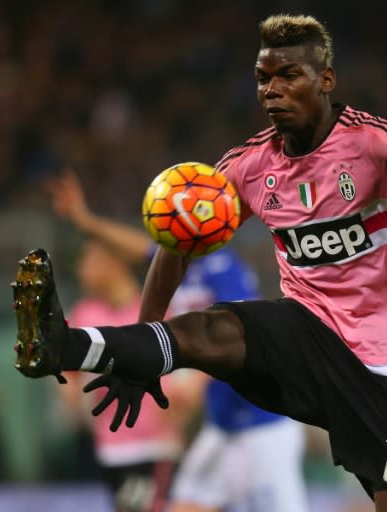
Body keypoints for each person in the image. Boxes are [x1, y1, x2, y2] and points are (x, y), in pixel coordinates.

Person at [12, 14, 387, 512]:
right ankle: (63, 345)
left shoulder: (375, 143)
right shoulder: (249, 165)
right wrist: (138, 350)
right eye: (263, 78)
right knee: (216, 328)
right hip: (306, 331)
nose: (271, 90)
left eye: (288, 76)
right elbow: (175, 247)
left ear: (326, 80)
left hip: (383, 363)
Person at [46, 171, 309, 512]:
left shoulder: (220, 267)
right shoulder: (177, 264)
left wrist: (198, 379)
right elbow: (133, 246)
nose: (164, 222)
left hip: (262, 425)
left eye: (172, 214)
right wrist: (86, 222)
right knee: (184, 505)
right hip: (223, 426)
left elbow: (244, 335)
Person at [56, 238, 199, 512]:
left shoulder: (158, 311)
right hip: (110, 447)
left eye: (89, 260)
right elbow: (67, 374)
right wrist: (72, 398)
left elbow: (193, 369)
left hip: (156, 445)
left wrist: (186, 399)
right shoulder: (85, 313)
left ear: (115, 263)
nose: (81, 269)